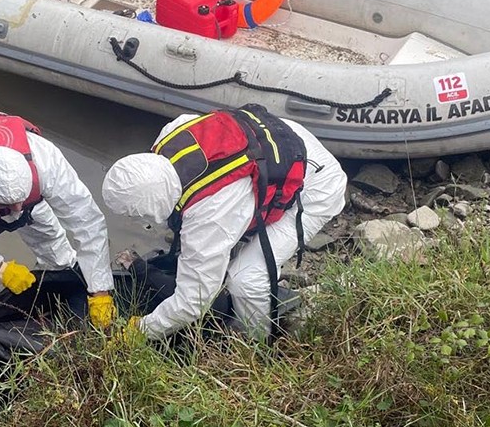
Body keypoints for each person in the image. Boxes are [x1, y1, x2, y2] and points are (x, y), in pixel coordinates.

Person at [101, 104, 347, 340]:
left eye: (138, 213)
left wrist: (139, 330)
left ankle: (255, 344)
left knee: (246, 279)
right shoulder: (168, 137)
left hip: (314, 184)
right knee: (225, 254)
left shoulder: (211, 215)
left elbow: (193, 302)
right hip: (275, 142)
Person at [0, 111, 116, 328]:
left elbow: (87, 222)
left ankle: (59, 283)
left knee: (53, 246)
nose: (16, 211)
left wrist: (100, 289)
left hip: (25, 188)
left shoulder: (46, 161)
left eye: (20, 201)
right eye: (6, 207)